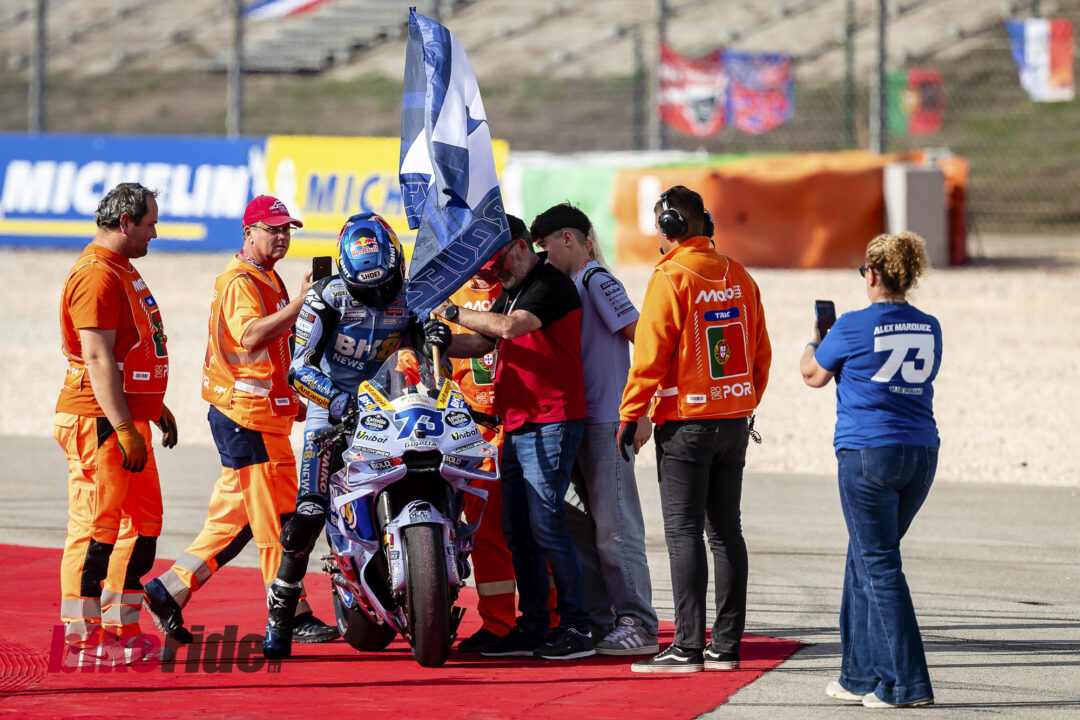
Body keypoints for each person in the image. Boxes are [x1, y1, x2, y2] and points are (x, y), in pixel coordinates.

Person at [142, 195, 337, 647]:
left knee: (239, 520)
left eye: (288, 229)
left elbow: (277, 351)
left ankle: (166, 591)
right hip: (245, 418)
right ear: (249, 232)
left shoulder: (265, 278)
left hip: (260, 417)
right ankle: (291, 613)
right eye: (274, 229)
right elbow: (249, 337)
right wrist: (301, 306)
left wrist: (296, 398)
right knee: (275, 525)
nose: (283, 236)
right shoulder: (240, 281)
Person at [261, 211, 434, 658]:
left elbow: (430, 359)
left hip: (393, 407)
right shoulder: (324, 299)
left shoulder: (415, 295)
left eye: (383, 286)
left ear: (396, 265)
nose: (377, 296)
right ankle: (281, 611)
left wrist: (438, 342)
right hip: (332, 412)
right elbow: (297, 368)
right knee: (308, 513)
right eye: (366, 289)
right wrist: (338, 403)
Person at [620, 185, 771, 674]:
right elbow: (759, 355)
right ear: (704, 222)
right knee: (727, 532)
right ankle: (725, 647)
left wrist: (631, 413)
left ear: (669, 228)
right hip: (733, 422)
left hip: (686, 426)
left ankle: (686, 648)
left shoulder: (670, 276)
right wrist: (740, 405)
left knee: (684, 533)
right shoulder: (739, 275)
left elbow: (650, 355)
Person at [433, 220, 594, 661]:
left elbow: (508, 328)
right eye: (485, 270)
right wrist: (442, 341)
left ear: (521, 248)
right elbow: (483, 343)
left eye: (497, 264)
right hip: (520, 422)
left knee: (546, 524)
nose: (492, 276)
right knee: (518, 529)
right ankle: (534, 625)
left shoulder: (549, 284)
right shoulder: (515, 285)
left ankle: (577, 625)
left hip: (552, 420)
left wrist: (449, 312)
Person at [801, 231, 940, 709]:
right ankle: (859, 674)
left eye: (865, 272)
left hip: (868, 454)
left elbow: (813, 375)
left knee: (878, 566)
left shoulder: (853, 327)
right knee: (864, 558)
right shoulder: (929, 325)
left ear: (873, 275)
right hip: (920, 453)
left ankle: (906, 684)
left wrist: (814, 340)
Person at [55, 182, 176, 667]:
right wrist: (124, 424)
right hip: (98, 419)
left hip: (125, 416)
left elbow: (132, 349)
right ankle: (82, 639)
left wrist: (152, 406)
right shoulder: (96, 276)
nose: (154, 233)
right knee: (94, 528)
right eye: (149, 224)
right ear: (125, 223)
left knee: (144, 524)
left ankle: (121, 627)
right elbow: (98, 357)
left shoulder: (120, 269)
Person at [531, 203, 658, 656]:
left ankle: (639, 623)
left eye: (545, 247)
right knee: (579, 526)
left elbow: (643, 338)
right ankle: (604, 621)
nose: (542, 257)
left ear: (569, 240)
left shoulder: (596, 280)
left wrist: (641, 407)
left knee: (616, 528)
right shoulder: (566, 286)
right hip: (578, 422)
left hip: (608, 419)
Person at [444, 216, 528, 654]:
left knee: (538, 529)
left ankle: (547, 620)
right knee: (485, 533)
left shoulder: (521, 288)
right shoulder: (445, 293)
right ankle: (499, 623)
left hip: (522, 424)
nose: (486, 263)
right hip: (470, 431)